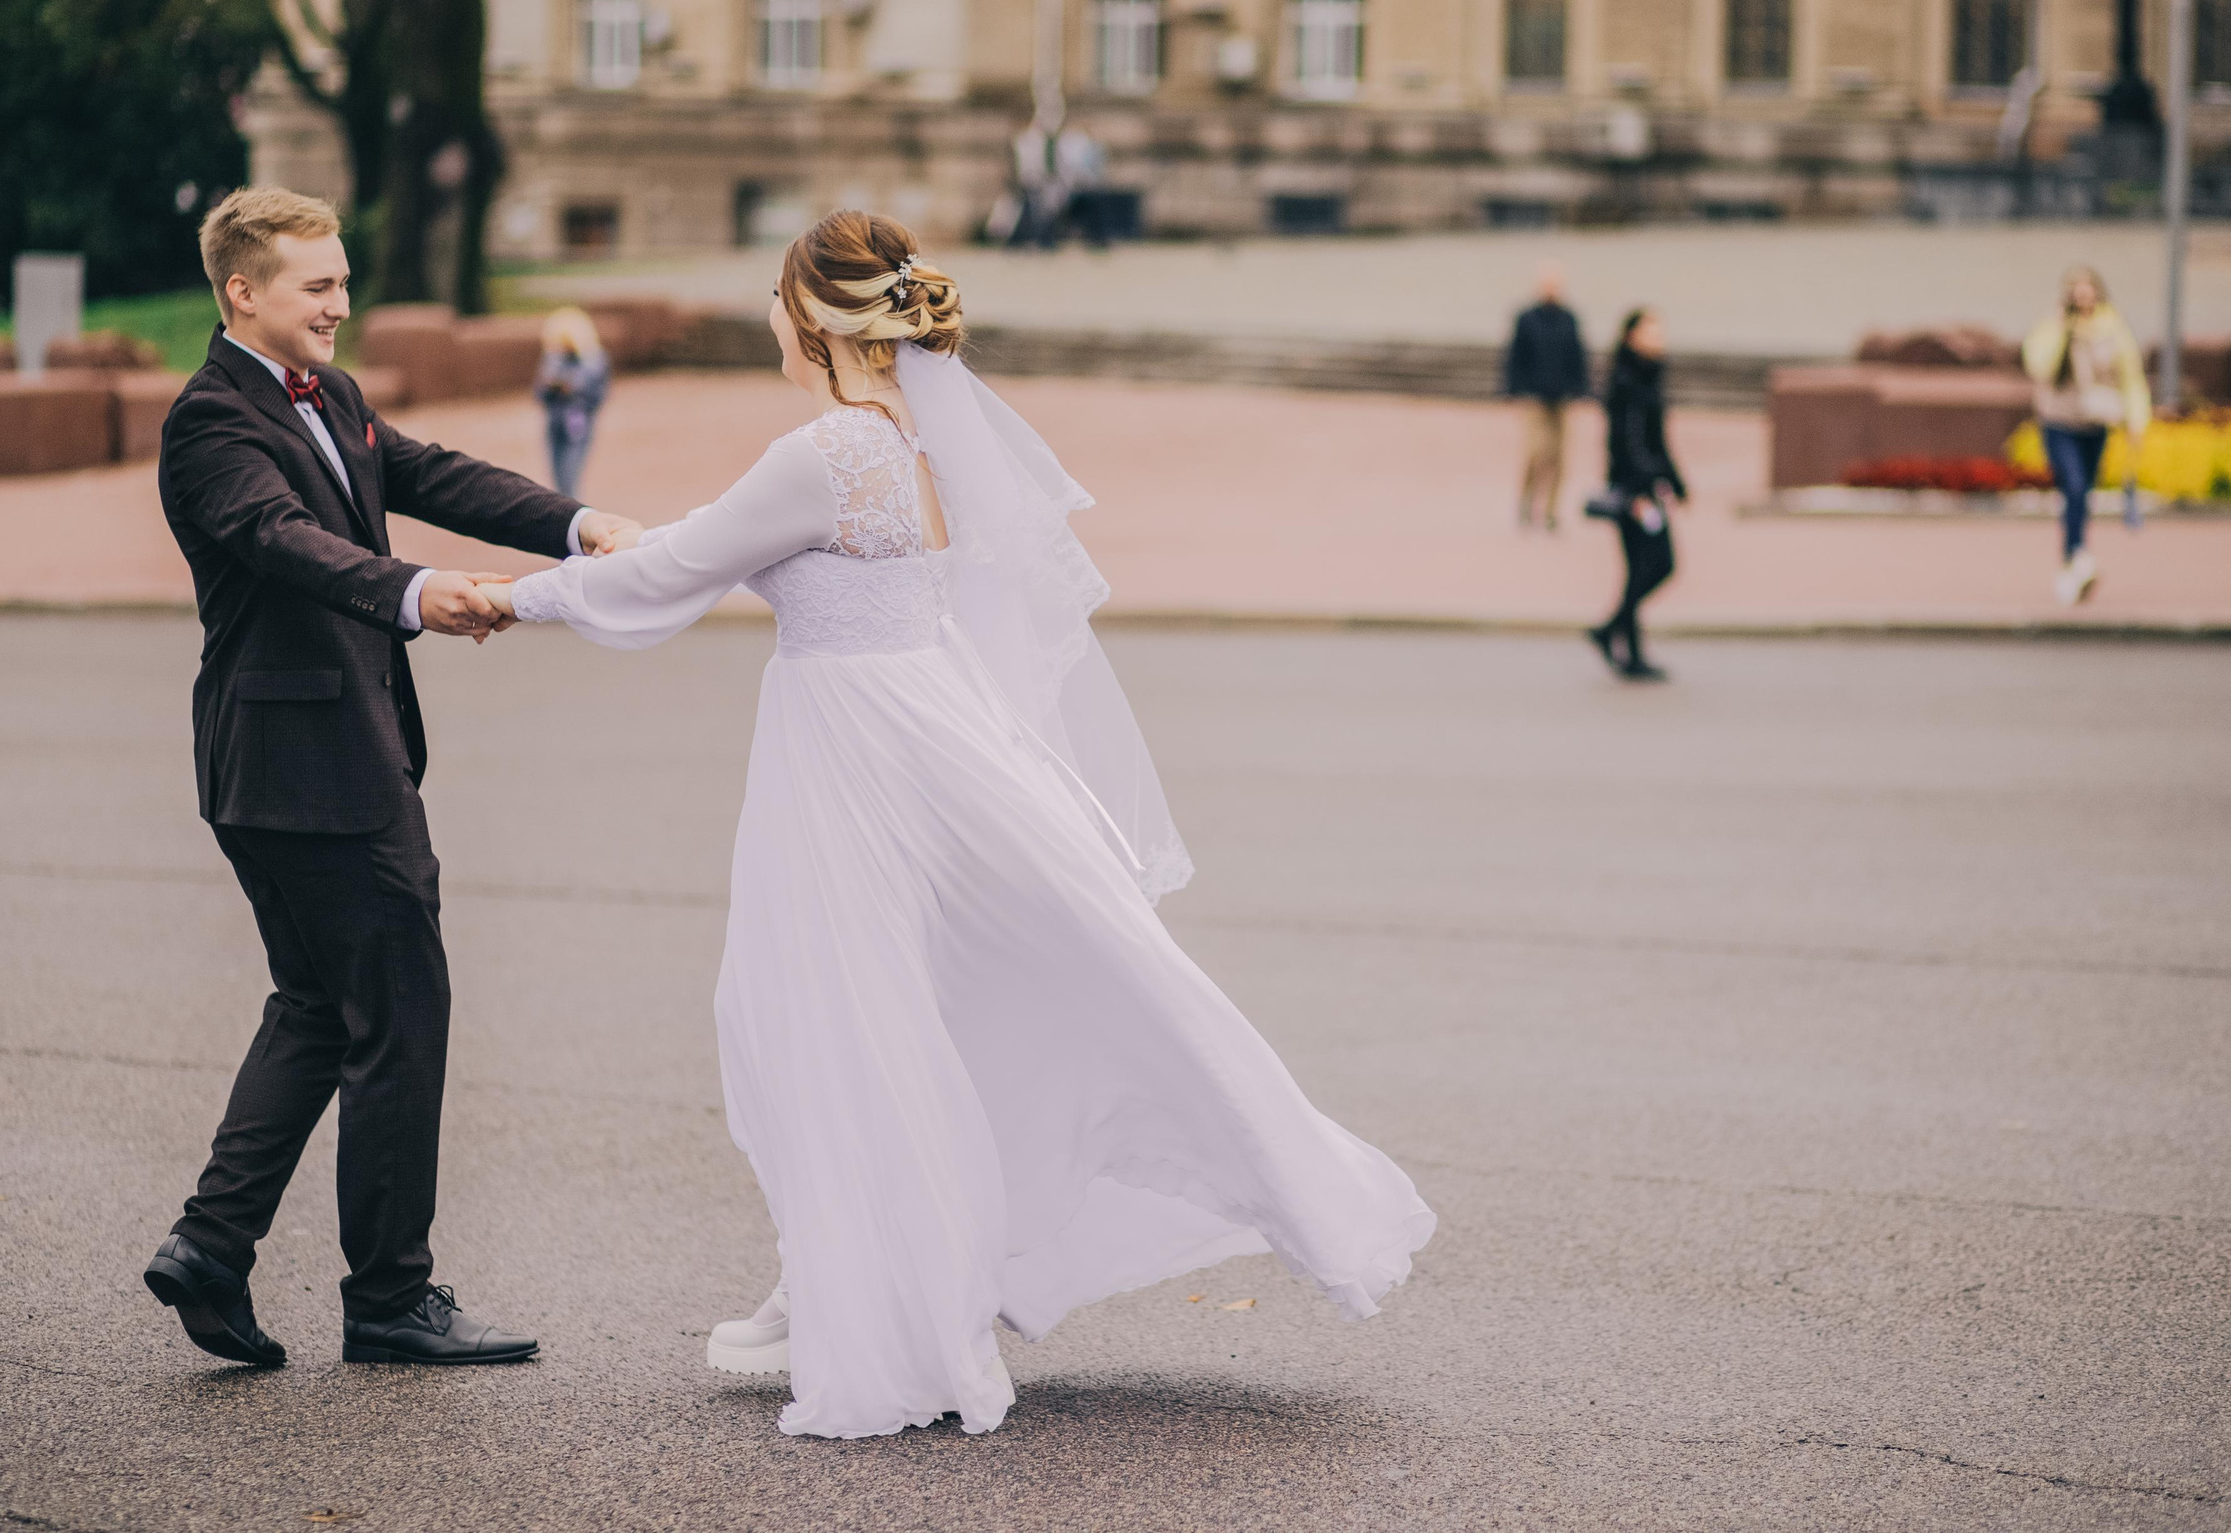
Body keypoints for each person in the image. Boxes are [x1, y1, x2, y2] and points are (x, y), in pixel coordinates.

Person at [472, 210, 1434, 1439]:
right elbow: (720, 554)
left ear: (811, 315)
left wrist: (513, 596)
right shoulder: (906, 438)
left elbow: (681, 573)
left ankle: (884, 1308)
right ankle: (825, 1274)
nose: (767, 317)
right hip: (911, 727)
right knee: (863, 1007)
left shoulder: (823, 450)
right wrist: (611, 541)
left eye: (775, 297)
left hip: (857, 753)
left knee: (826, 1015)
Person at [141, 186, 644, 1371]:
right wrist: (417, 592)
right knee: (401, 1016)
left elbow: (440, 473)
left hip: (297, 766)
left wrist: (578, 525)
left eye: (343, 279)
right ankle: (390, 1300)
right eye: (317, 286)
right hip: (306, 768)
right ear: (242, 293)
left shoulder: (336, 399)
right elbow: (280, 540)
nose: (341, 303)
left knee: (320, 1008)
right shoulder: (210, 423)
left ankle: (210, 1247)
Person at [2021, 266, 2150, 606]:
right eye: (2076, 291)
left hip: (2096, 423)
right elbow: (2037, 365)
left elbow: (2131, 377)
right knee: (2074, 486)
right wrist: (2063, 328)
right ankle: (2076, 555)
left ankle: (2073, 559)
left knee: (2083, 493)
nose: (2083, 297)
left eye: (2087, 289)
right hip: (2060, 422)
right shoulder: (2054, 326)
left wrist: (2136, 420)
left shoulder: (2113, 328)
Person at [1588, 307, 1686, 682]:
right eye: (1650, 331)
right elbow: (1626, 442)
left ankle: (1625, 647)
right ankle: (1616, 634)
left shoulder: (1649, 376)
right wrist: (1642, 488)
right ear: (1631, 336)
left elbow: (1659, 439)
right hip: (1634, 490)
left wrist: (1676, 481)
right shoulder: (1626, 380)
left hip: (1646, 486)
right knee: (1658, 565)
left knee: (1642, 570)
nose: (1659, 338)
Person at [1504, 265, 1590, 531]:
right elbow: (1515, 355)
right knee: (1535, 453)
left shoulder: (1569, 318)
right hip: (1534, 397)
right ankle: (1527, 504)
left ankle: (1552, 511)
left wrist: (1581, 389)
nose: (1552, 290)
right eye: (1548, 285)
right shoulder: (1527, 318)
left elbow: (1578, 355)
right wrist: (1514, 388)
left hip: (1562, 397)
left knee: (1560, 457)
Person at [534, 307, 611, 498]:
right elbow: (539, 394)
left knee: (570, 476)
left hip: (578, 424)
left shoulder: (593, 359)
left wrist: (573, 391)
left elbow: (597, 395)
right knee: (557, 476)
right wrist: (551, 386)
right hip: (555, 422)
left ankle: (573, 518)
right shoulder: (552, 359)